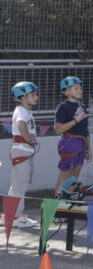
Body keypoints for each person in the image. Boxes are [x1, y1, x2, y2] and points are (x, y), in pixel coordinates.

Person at [8, 82, 40, 228]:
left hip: (22, 151)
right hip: (22, 150)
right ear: (22, 98)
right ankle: (17, 218)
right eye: (32, 95)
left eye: (35, 94)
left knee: (17, 184)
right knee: (20, 185)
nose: (36, 97)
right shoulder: (21, 110)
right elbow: (21, 125)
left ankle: (9, 215)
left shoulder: (25, 111)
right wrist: (29, 140)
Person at [53, 76, 91, 195]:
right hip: (69, 142)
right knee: (65, 175)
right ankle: (56, 201)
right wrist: (75, 120)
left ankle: (68, 199)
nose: (79, 90)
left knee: (74, 176)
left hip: (82, 144)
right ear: (66, 91)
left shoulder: (82, 107)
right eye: (75, 88)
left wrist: (89, 149)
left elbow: (85, 130)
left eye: (80, 87)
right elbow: (57, 129)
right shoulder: (63, 107)